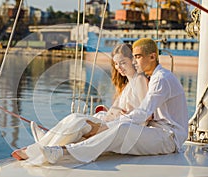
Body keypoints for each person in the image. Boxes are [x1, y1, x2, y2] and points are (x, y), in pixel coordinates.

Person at [40, 38, 188, 164]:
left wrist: (107, 125)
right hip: (157, 132)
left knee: (121, 128)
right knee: (98, 122)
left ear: (152, 57)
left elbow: (144, 113)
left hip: (169, 137)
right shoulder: (156, 77)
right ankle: (56, 142)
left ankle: (65, 152)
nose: (134, 62)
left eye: (137, 57)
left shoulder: (161, 79)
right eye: (134, 57)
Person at [11, 43, 149, 163]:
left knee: (78, 120)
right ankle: (46, 140)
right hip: (107, 120)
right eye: (116, 64)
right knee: (75, 117)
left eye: (123, 62)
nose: (119, 67)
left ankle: (42, 144)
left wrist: (123, 115)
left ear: (133, 60)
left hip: (114, 126)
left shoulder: (140, 80)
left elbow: (146, 113)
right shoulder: (127, 84)